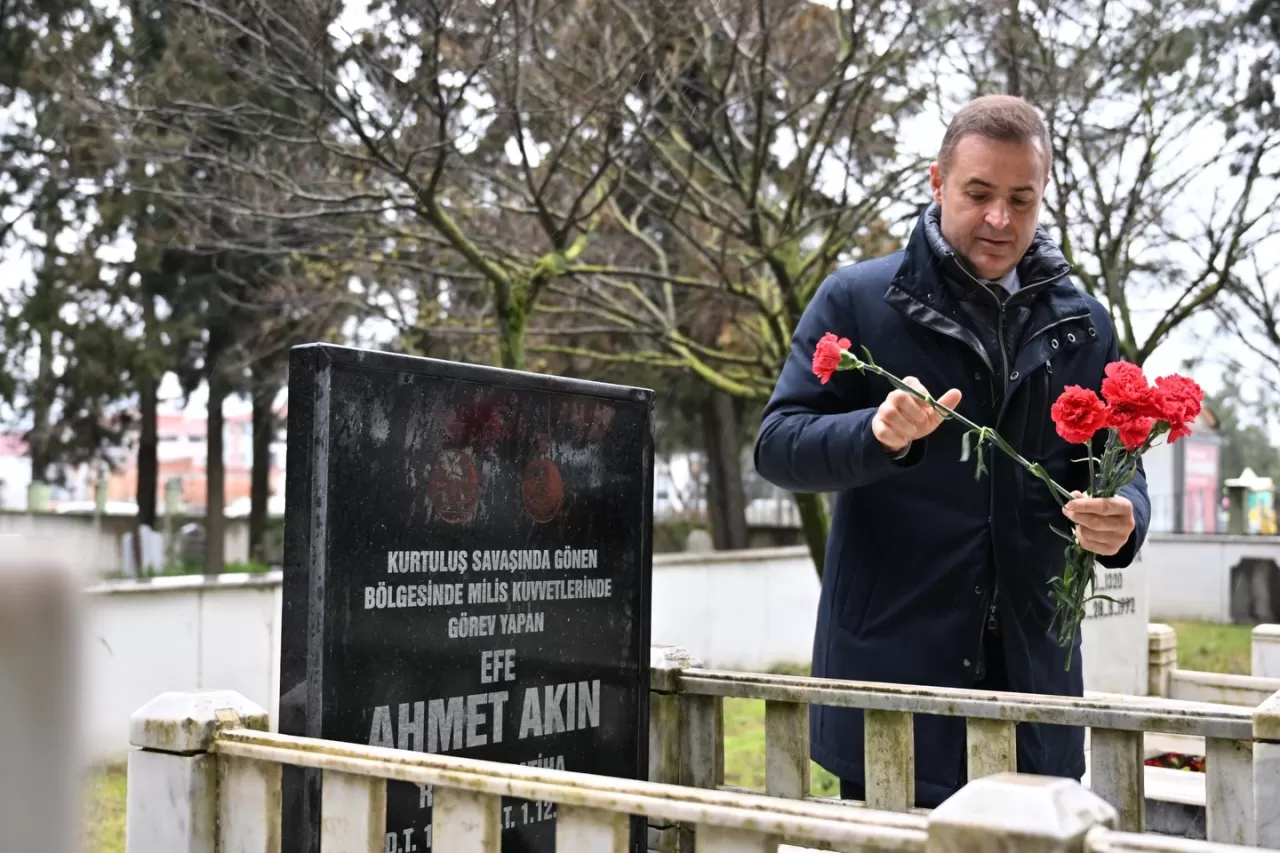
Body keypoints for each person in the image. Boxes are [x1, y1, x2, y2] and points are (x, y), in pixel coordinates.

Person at [752, 94, 1150, 808]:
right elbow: (779, 445)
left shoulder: (1084, 325)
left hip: (1037, 683)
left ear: (1043, 197)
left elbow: (1121, 463)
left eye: (1021, 199)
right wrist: (875, 433)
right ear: (937, 185)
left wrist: (1128, 517)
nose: (1001, 219)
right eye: (979, 193)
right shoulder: (858, 300)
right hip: (893, 684)